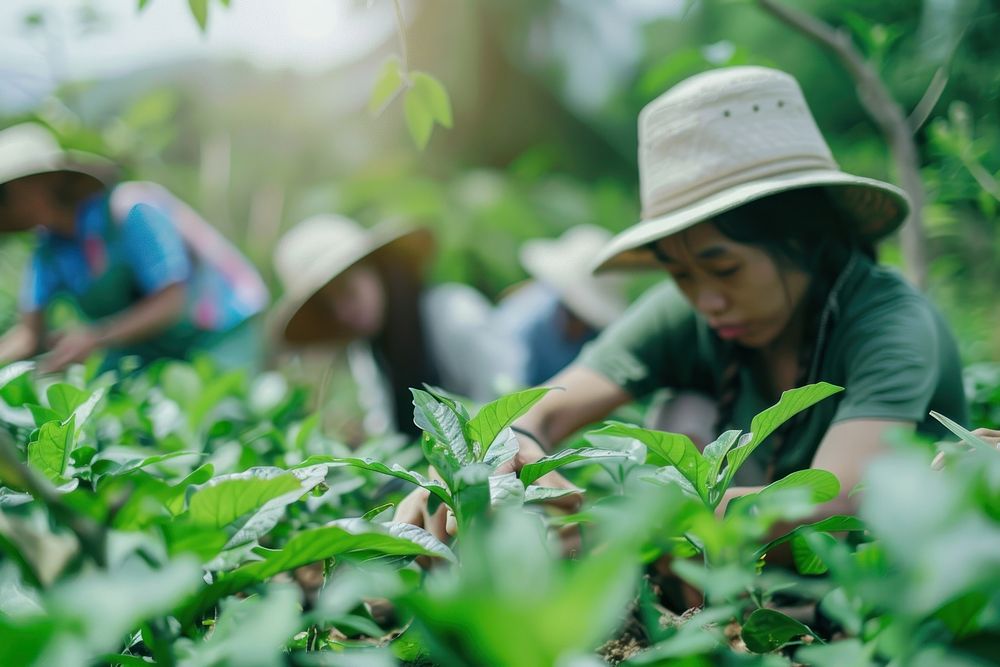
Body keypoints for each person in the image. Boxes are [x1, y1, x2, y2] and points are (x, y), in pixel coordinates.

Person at [395, 65, 979, 536]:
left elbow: (837, 504)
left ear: (803, 238)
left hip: (890, 577)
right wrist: (488, 462)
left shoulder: (889, 323)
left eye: (724, 268)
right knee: (685, 412)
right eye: (678, 274)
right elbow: (548, 408)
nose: (705, 300)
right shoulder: (693, 310)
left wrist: (619, 530)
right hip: (737, 576)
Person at [0, 123, 269, 374]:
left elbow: (171, 300)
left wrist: (95, 337)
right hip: (158, 348)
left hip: (222, 331)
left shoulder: (130, 211)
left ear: (41, 183)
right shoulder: (48, 251)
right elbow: (29, 335)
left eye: (5, 194)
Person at [272, 214, 456, 438]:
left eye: (348, 291)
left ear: (376, 269)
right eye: (330, 307)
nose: (343, 312)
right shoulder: (369, 354)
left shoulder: (451, 314)